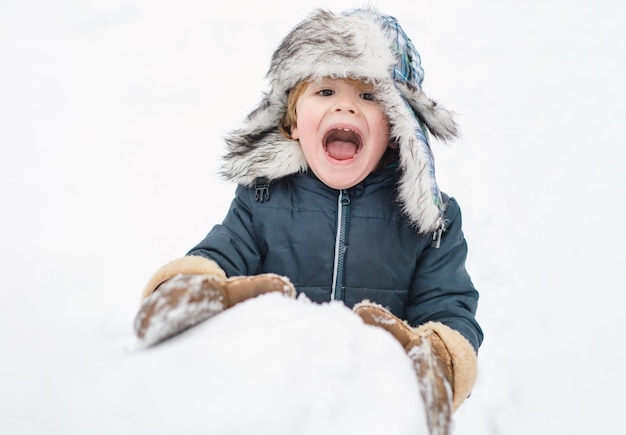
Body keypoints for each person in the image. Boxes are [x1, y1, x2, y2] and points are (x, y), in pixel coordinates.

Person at [134, 8, 483, 434]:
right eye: (324, 90)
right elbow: (221, 252)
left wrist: (438, 358)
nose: (345, 105)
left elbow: (448, 307)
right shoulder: (262, 199)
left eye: (369, 96)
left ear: (397, 125)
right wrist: (190, 284)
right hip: (278, 406)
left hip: (374, 413)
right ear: (293, 121)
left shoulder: (430, 221)